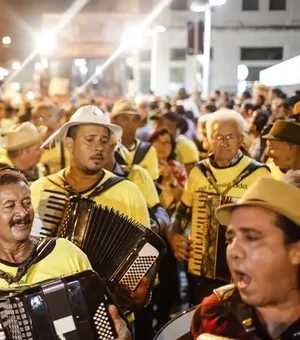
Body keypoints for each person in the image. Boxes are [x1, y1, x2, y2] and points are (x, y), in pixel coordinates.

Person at [30, 105, 150, 317]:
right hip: (52, 307)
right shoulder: (41, 189)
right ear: (69, 144)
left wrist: (139, 292)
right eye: (90, 139)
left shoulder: (128, 191)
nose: (99, 147)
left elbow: (144, 255)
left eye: (104, 141)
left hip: (111, 312)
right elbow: (28, 250)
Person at [0, 167, 131, 339]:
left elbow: (114, 320)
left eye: (27, 203)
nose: (22, 213)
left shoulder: (65, 252)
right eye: (9, 206)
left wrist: (122, 333)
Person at [169, 109, 270, 306]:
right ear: (208, 139)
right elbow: (182, 211)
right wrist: (173, 236)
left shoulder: (258, 174)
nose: (224, 142)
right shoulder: (199, 172)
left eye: (230, 136)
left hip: (246, 270)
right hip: (201, 270)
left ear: (241, 138)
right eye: (218, 136)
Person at [191, 177, 300, 340]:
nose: (233, 251)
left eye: (251, 237)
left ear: (296, 251)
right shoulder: (213, 314)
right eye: (230, 239)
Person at [111, 99, 159, 181]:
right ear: (114, 121)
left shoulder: (148, 151)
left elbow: (152, 185)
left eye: (135, 119)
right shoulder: (106, 149)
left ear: (139, 123)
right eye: (125, 118)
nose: (130, 124)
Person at [32, 102, 68, 174]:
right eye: (36, 117)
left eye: (49, 116)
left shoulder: (68, 143)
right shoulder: (30, 147)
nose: (40, 121)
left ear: (58, 118)